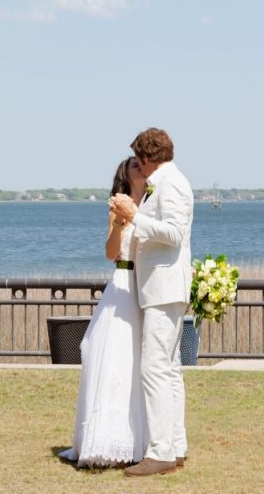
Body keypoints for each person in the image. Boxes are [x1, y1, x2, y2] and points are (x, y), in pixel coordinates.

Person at [110, 127, 194, 478]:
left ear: (146, 158)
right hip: (163, 289)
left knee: (155, 369)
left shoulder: (171, 184)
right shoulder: (167, 182)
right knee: (169, 369)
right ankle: (175, 447)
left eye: (138, 160)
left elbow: (174, 233)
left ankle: (160, 452)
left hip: (164, 289)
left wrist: (134, 217)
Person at [60, 156, 147, 468]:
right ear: (126, 174)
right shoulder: (116, 209)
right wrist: (120, 224)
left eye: (143, 164)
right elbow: (111, 253)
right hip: (123, 281)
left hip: (146, 283)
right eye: (135, 165)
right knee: (109, 353)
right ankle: (106, 438)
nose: (141, 168)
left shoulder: (153, 204)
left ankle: (142, 439)